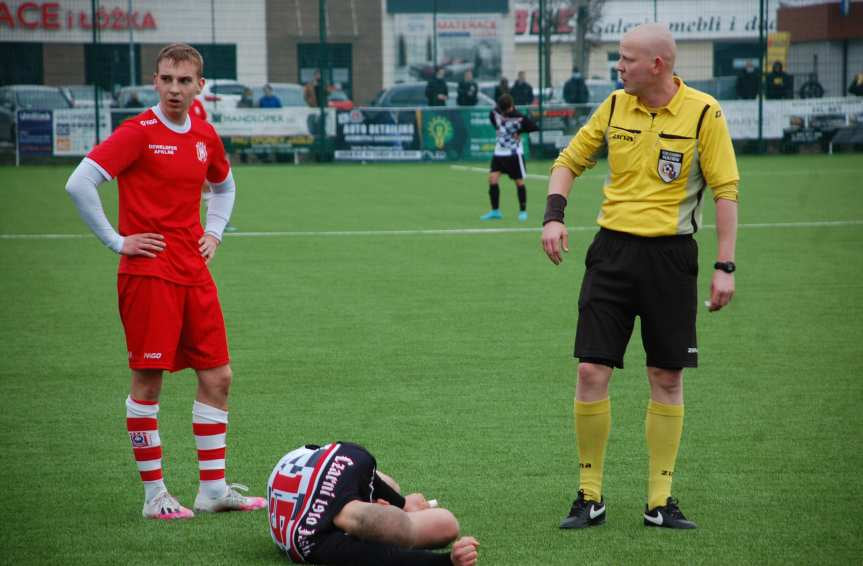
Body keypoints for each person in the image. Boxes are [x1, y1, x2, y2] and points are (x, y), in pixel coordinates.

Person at [541, 23, 739, 531]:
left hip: (672, 261)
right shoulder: (612, 106)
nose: (619, 66)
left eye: (626, 58)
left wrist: (724, 266)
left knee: (666, 376)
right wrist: (554, 215)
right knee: (590, 371)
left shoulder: (704, 112)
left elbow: (725, 192)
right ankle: (589, 496)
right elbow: (568, 162)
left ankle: (659, 501)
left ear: (658, 65)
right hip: (611, 254)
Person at [64, 43, 265, 520]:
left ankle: (213, 491)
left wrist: (213, 232)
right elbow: (80, 182)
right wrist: (118, 241)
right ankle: (155, 496)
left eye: (185, 80)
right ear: (155, 82)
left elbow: (225, 185)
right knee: (148, 382)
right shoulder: (137, 132)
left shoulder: (204, 134)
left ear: (201, 86)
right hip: (148, 273)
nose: (175, 89)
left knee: (218, 376)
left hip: (193, 271)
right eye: (167, 79)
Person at [268, 442, 480, 565]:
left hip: (305, 464)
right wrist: (448, 561)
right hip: (305, 471)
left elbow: (371, 477)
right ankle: (400, 518)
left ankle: (399, 511)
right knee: (445, 524)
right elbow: (385, 557)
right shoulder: (314, 542)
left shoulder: (355, 460)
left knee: (394, 488)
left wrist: (402, 503)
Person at [480, 93, 538, 222]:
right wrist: (498, 128)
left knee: (519, 182)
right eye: (503, 110)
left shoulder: (519, 118)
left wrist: (519, 132)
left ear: (511, 106)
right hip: (499, 153)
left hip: (514, 154)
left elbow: (534, 127)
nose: (505, 112)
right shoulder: (496, 112)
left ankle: (523, 211)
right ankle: (495, 211)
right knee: (493, 179)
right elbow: (492, 116)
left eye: (506, 109)